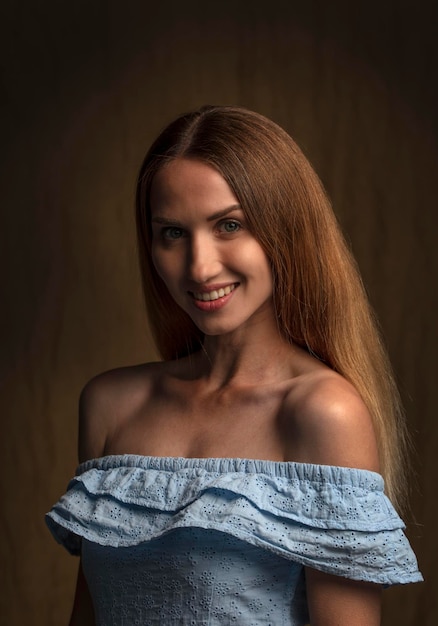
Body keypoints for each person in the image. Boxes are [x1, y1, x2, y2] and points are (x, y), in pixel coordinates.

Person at [46, 105, 422, 625]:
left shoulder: (323, 413)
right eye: (172, 233)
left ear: (285, 230)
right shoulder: (111, 406)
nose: (199, 267)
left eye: (229, 225)